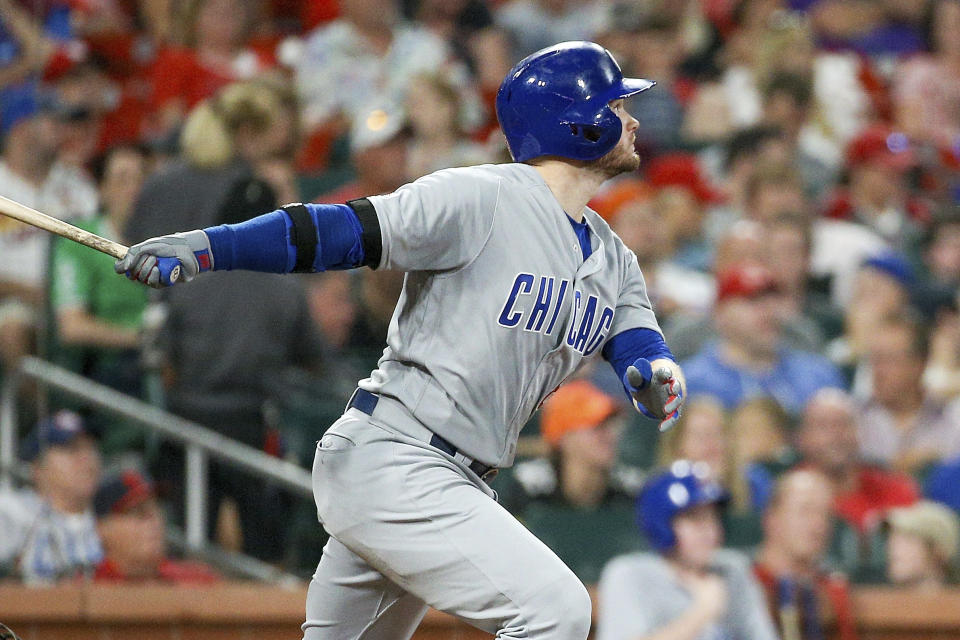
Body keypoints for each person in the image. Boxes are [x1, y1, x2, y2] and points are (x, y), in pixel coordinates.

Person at [116, 41, 686, 640]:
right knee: (557, 612)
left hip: (450, 477)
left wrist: (658, 380)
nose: (633, 118)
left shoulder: (614, 256)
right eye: (618, 104)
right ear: (578, 122)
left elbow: (641, 346)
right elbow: (341, 231)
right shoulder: (481, 197)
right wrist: (211, 246)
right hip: (398, 457)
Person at [596, 461, 778, 640]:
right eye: (694, 518)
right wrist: (701, 612)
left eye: (713, 518)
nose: (709, 530)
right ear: (662, 525)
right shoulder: (629, 574)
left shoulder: (733, 569)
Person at [496, 379, 644, 583]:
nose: (609, 436)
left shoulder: (630, 489)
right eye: (596, 427)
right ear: (563, 437)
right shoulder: (527, 489)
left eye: (610, 426)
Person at [682, 262, 845, 414]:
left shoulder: (818, 376)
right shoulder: (690, 384)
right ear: (720, 313)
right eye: (752, 300)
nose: (768, 311)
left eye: (773, 300)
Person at [753, 469, 859, 640]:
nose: (818, 525)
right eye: (805, 511)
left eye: (825, 514)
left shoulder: (834, 589)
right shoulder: (747, 583)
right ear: (771, 519)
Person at [0, 410, 103, 584]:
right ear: (37, 467)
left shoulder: (112, 520)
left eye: (90, 448)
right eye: (72, 450)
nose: (86, 458)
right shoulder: (11, 511)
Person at [93, 469, 218, 584]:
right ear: (101, 529)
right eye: (137, 512)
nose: (153, 519)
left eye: (156, 507)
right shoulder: (87, 588)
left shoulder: (198, 579)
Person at [885, 500, 960, 589]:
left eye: (908, 538)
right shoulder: (876, 601)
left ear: (937, 551)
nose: (892, 547)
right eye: (893, 538)